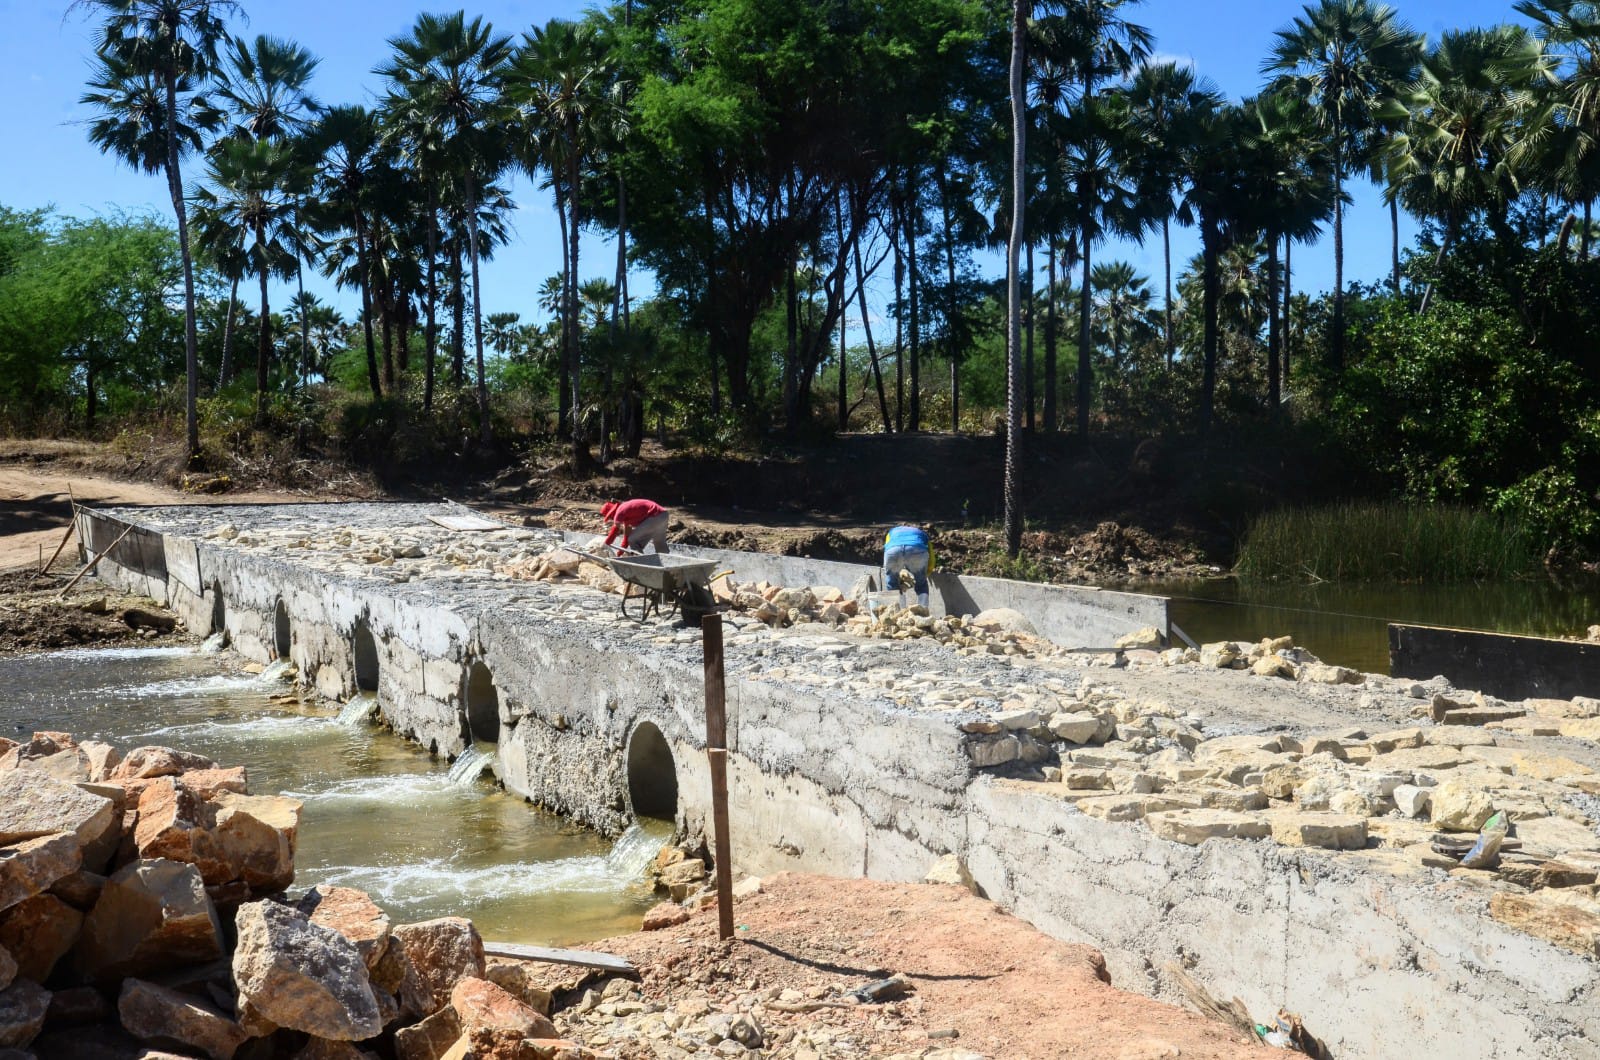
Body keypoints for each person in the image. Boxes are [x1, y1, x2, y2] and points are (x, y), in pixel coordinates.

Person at [882, 524, 934, 608]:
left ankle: (897, 612)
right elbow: (931, 558)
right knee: (921, 585)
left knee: (892, 584)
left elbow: (887, 548)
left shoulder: (891, 532)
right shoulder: (922, 534)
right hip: (917, 550)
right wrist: (924, 575)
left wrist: (896, 574)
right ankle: (923, 612)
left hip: (893, 551)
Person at [601, 499, 670, 554]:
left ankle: (641, 563)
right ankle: (667, 565)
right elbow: (626, 539)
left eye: (610, 517)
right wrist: (620, 553)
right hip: (663, 515)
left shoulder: (619, 511)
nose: (611, 519)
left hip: (655, 516)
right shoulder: (627, 515)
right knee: (659, 542)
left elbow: (614, 531)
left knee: (633, 540)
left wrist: (604, 546)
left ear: (612, 512)